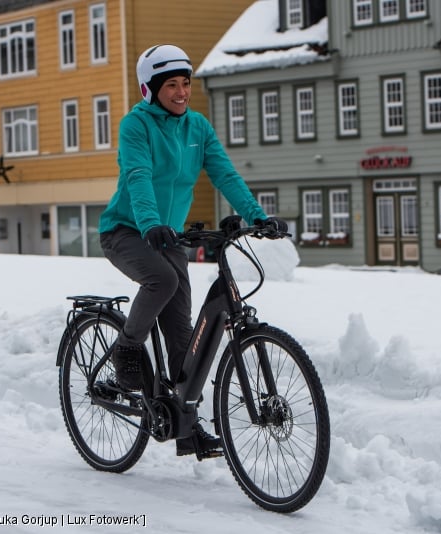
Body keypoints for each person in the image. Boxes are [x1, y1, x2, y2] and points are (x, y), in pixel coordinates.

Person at [98, 44, 287, 458]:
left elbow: (224, 172)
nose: (181, 92)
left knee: (183, 337)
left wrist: (258, 216)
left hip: (170, 236)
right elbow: (138, 176)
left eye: (185, 83)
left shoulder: (197, 127)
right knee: (162, 278)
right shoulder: (136, 126)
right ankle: (128, 347)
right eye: (171, 85)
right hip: (127, 231)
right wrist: (149, 224)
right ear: (150, 90)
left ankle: (186, 430)